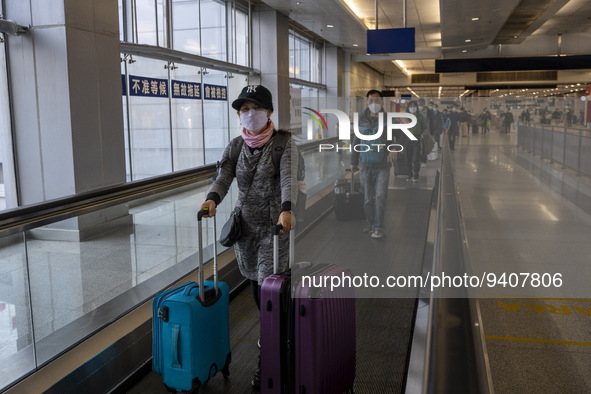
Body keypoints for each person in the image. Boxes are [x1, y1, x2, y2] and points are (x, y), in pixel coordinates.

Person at [200, 85, 298, 389]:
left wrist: (287, 210)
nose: (249, 114)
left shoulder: (283, 144)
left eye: (255, 108)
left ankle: (268, 360)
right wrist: (212, 199)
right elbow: (224, 176)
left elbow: (289, 180)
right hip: (245, 231)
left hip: (274, 230)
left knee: (268, 295)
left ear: (268, 111)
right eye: (244, 109)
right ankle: (280, 342)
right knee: (259, 291)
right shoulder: (236, 146)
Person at [350, 90, 397, 239]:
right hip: (365, 165)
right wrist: (353, 162)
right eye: (371, 101)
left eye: (377, 101)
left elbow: (398, 136)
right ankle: (371, 224)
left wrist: (394, 148)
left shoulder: (388, 119)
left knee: (380, 196)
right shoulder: (361, 120)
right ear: (366, 102)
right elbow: (356, 141)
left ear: (382, 102)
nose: (374, 104)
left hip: (383, 165)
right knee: (368, 198)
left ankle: (378, 227)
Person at [401, 100, 428, 180]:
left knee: (416, 158)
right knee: (408, 157)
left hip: (417, 138)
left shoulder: (420, 117)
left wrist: (421, 134)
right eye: (411, 106)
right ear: (408, 108)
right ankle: (409, 174)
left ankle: (416, 175)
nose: (412, 108)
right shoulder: (406, 116)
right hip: (407, 139)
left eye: (414, 106)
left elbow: (424, 127)